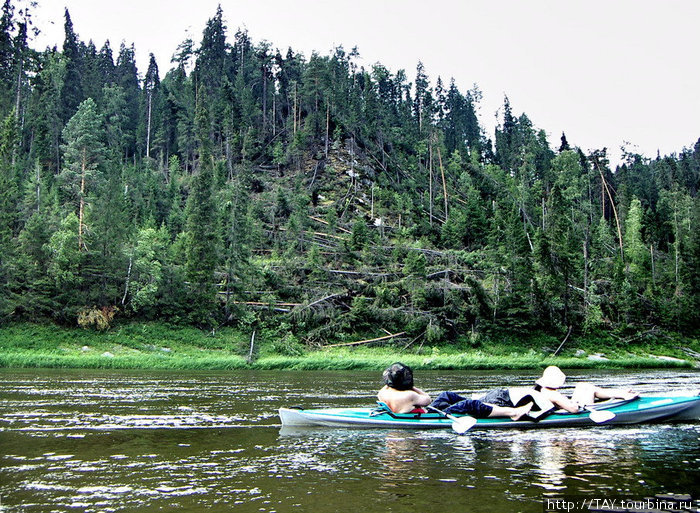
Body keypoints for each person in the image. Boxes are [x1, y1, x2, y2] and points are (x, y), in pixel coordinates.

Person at [377, 362, 533, 421]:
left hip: (418, 411)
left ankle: (484, 405)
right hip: (431, 415)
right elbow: (427, 399)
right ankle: (513, 413)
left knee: (447, 395)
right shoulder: (409, 394)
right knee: (469, 405)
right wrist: (412, 387)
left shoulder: (383, 392)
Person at [533, 365, 638, 414]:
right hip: (579, 409)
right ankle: (622, 394)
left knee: (582, 385)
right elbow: (574, 409)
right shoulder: (552, 394)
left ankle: (621, 393)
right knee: (588, 388)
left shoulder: (543, 389)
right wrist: (572, 402)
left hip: (567, 406)